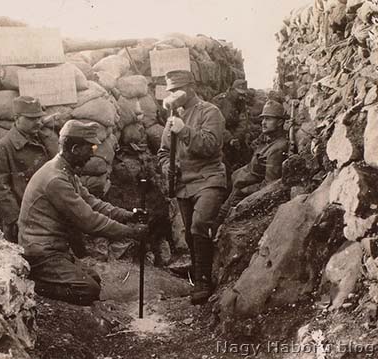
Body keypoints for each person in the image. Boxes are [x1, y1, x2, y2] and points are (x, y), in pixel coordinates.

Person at [18, 120, 147, 306]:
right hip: (41, 254)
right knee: (88, 290)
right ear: (76, 148)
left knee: (94, 278)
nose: (93, 153)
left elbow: (92, 203)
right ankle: (32, 285)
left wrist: (127, 215)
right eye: (90, 147)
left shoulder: (65, 172)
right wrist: (131, 232)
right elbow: (89, 220)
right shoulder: (56, 179)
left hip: (55, 250)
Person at [157, 70, 227, 305]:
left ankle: (203, 281)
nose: (173, 95)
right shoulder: (173, 117)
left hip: (208, 179)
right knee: (189, 232)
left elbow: (210, 145)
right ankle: (197, 271)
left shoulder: (210, 112)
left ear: (190, 88)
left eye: (177, 90)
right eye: (170, 91)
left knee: (199, 225)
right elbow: (164, 152)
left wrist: (184, 130)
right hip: (184, 184)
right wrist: (167, 166)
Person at [0, 96, 53, 243]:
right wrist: (16, 218)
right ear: (17, 118)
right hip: (24, 220)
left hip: (50, 215)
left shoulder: (45, 140)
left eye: (39, 118)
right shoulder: (2, 148)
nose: (38, 123)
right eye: (31, 119)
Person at [218, 99, 289, 220]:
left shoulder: (277, 148)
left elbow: (270, 185)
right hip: (236, 187)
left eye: (268, 119)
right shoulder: (268, 140)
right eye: (263, 119)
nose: (263, 123)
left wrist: (244, 190)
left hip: (242, 194)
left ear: (279, 123)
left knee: (219, 220)